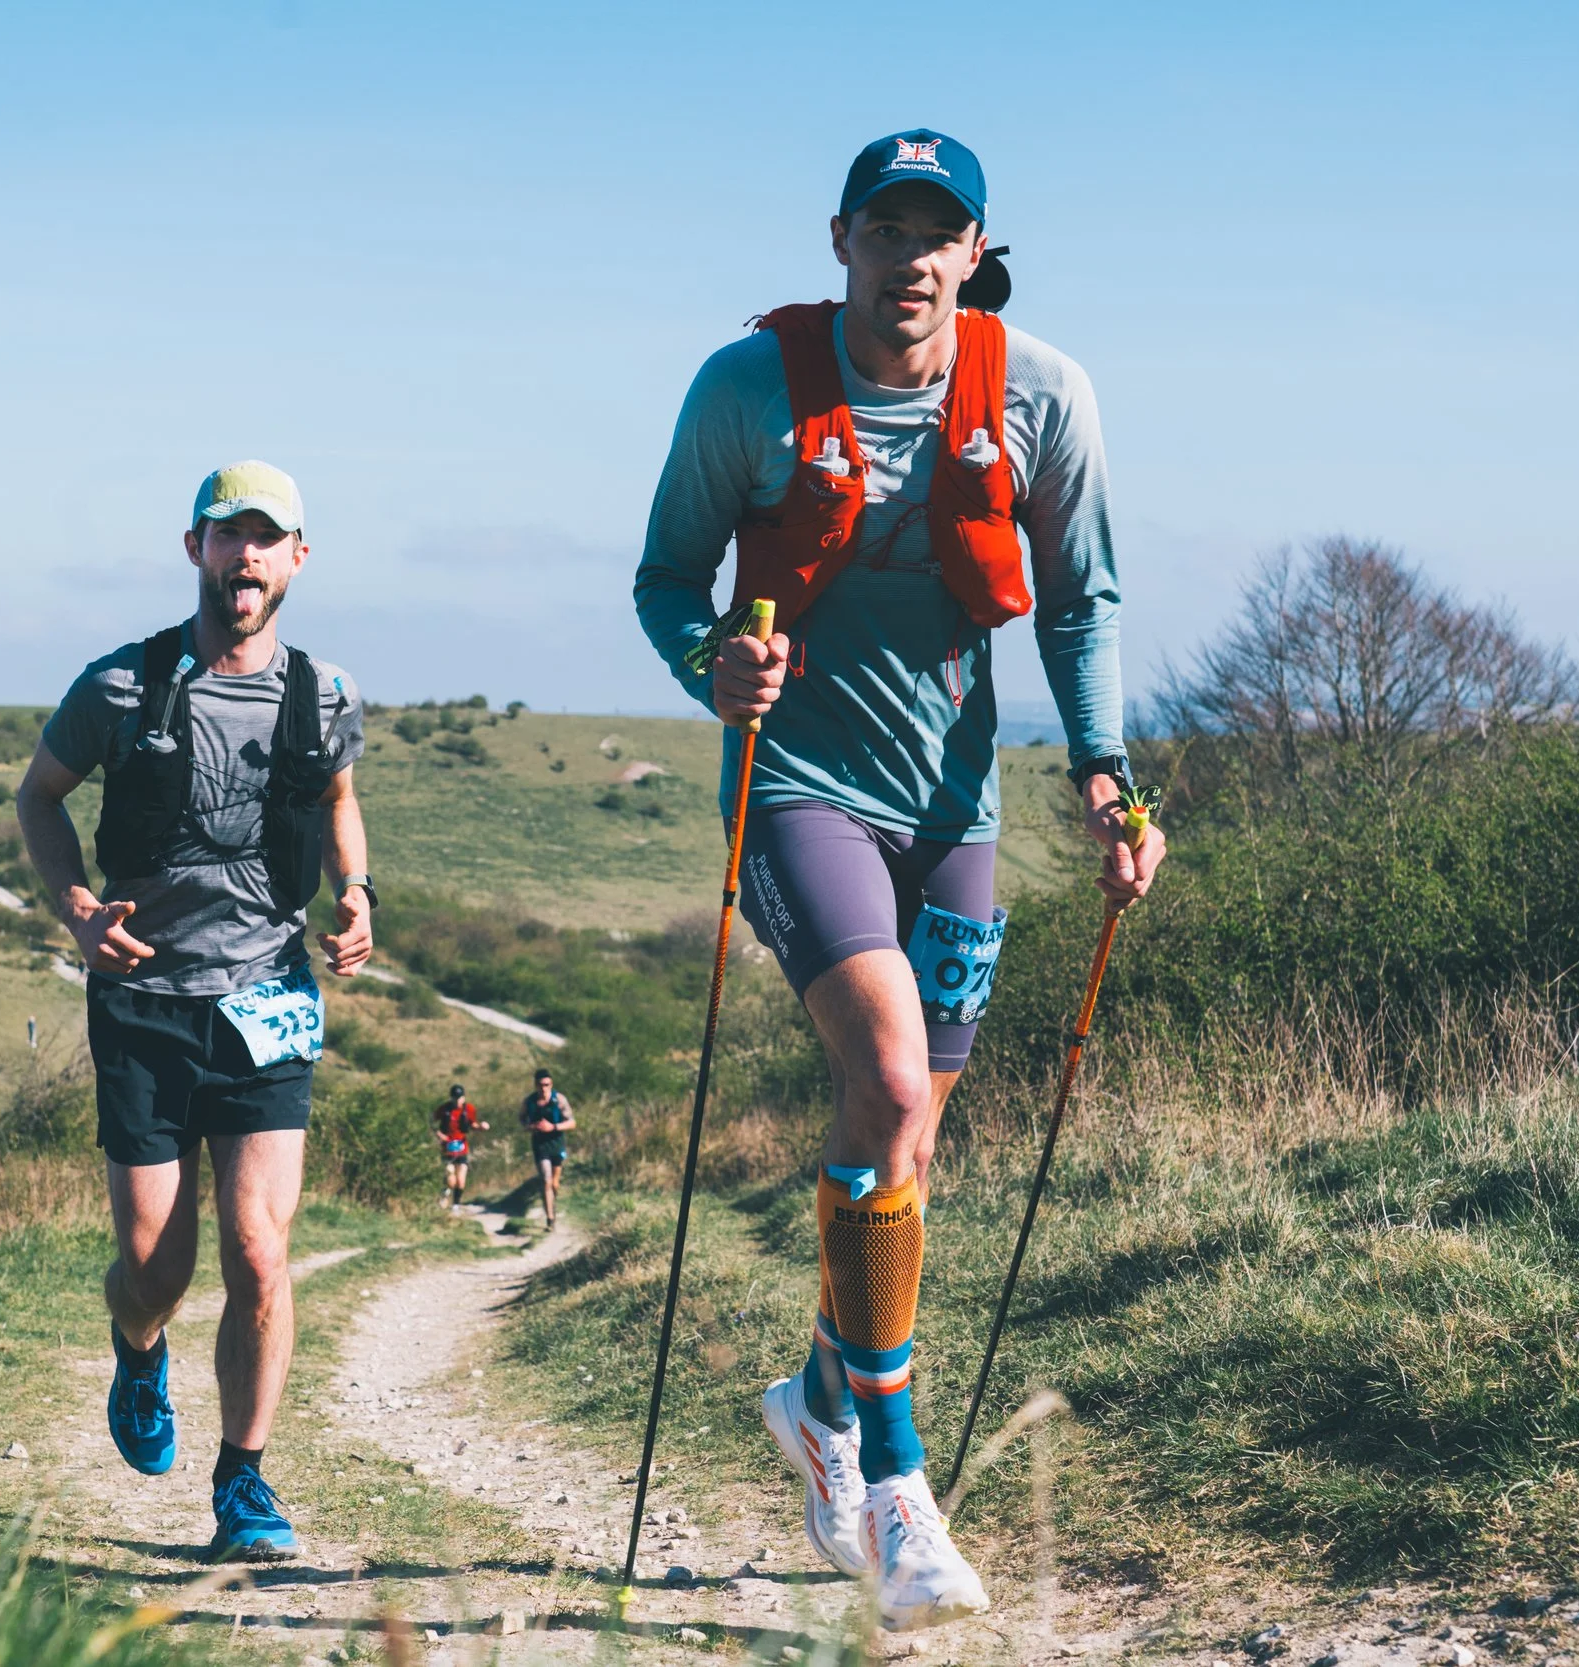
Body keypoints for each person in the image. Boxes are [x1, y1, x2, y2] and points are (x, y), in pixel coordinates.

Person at [632, 132, 1166, 1629]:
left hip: (955, 797)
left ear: (975, 248)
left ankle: (817, 1398)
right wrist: (709, 664)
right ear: (841, 240)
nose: (911, 258)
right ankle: (898, 1484)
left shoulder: (1044, 393)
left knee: (909, 1141)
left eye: (940, 233)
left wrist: (1108, 773)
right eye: (886, 229)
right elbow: (666, 579)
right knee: (881, 1071)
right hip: (796, 781)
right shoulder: (745, 392)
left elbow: (1083, 596)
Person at [16, 460, 377, 1564]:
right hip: (144, 999)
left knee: (261, 1253)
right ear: (196, 551)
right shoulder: (120, 685)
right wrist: (77, 907)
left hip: (269, 992)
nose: (246, 559)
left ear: (297, 560)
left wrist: (357, 892)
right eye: (229, 538)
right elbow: (38, 795)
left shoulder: (325, 693)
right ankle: (137, 1342)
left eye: (268, 540)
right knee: (155, 1266)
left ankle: (245, 1480)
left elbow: (338, 802)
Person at [519, 1068, 575, 1227]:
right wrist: (529, 1126)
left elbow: (572, 1123)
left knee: (554, 1183)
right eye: (541, 1085)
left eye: (547, 1084)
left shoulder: (559, 1100)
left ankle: (552, 1205)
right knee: (546, 1179)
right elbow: (521, 1118)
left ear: (551, 1084)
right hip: (539, 1144)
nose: (544, 1088)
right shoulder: (529, 1102)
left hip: (557, 1143)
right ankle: (550, 1219)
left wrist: (553, 1127)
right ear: (535, 1085)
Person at [432, 1084, 487, 1210]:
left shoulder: (469, 1109)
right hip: (447, 1150)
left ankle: (455, 1205)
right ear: (451, 1098)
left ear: (463, 1097)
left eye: (459, 1098)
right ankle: (445, 1194)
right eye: (455, 1098)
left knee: (461, 1181)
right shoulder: (444, 1109)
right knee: (451, 1180)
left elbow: (472, 1124)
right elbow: (431, 1121)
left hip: (462, 1149)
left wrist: (480, 1127)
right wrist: (439, 1134)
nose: (457, 1101)